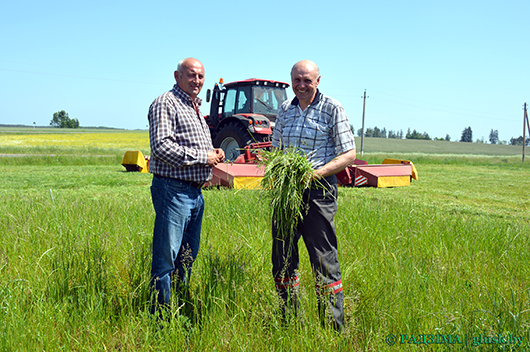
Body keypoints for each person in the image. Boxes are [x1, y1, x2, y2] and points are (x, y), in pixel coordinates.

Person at [271, 60, 357, 330]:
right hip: (287, 191)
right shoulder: (286, 109)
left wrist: (316, 173)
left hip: (318, 191)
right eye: (296, 80)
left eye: (307, 80)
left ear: (318, 81)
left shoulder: (332, 108)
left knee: (323, 258)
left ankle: (333, 328)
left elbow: (349, 154)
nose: (301, 85)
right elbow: (276, 148)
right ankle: (290, 321)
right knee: (282, 256)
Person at [148, 57, 225, 315]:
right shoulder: (165, 103)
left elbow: (189, 144)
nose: (197, 81)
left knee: (187, 255)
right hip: (173, 190)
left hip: (194, 192)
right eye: (191, 75)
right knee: (166, 257)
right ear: (177, 75)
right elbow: (161, 147)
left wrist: (212, 152)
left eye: (201, 76)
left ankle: (180, 307)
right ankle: (161, 317)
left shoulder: (194, 107)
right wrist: (204, 157)